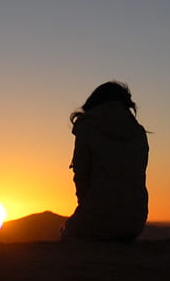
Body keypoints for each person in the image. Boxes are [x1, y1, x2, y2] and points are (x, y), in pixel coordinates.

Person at [61, 81, 149, 243]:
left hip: (97, 217)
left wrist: (87, 210)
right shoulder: (139, 133)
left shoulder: (87, 127)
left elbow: (81, 177)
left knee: (67, 233)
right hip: (135, 221)